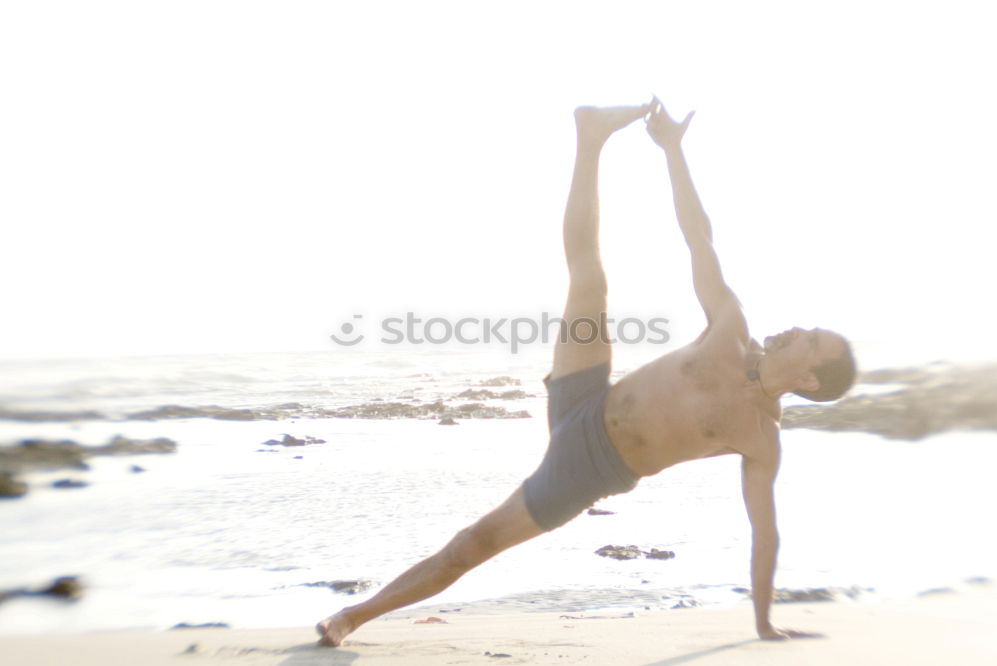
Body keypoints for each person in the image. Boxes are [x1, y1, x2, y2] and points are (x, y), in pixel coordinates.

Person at [317, 99, 856, 647]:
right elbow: (699, 236)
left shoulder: (762, 439)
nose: (797, 329)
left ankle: (351, 618)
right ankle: (591, 136)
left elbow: (764, 535)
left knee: (471, 546)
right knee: (589, 279)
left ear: (810, 380)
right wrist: (672, 149)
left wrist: (762, 622)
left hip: (586, 469)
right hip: (585, 393)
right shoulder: (730, 325)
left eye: (810, 341)